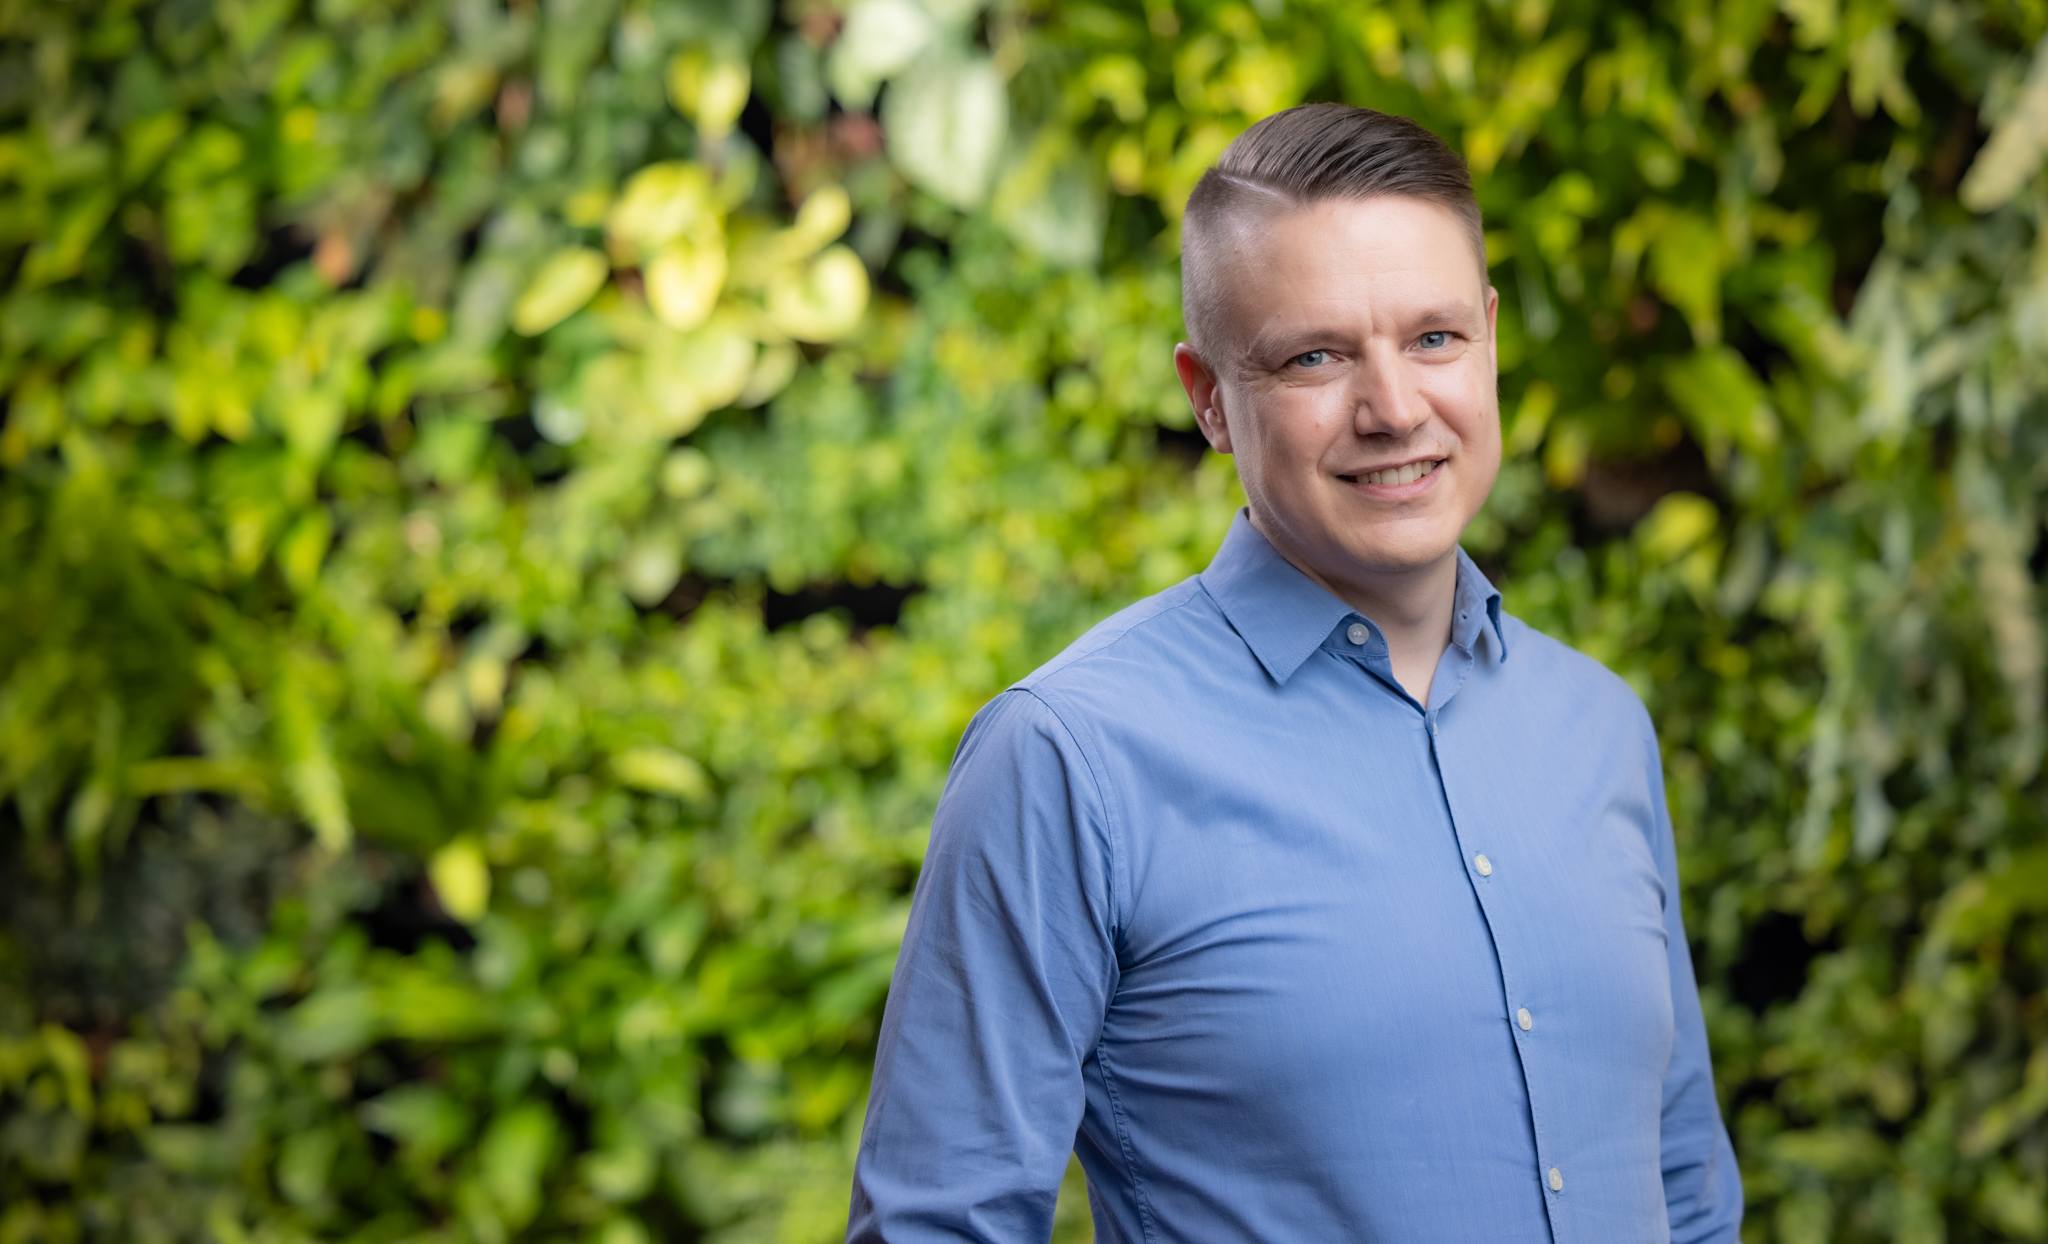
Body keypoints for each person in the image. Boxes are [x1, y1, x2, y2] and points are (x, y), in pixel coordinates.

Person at [846, 101, 1744, 1242]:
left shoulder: (1599, 725)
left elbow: (1686, 1192)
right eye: (1314, 356)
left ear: (1490, 339)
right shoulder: (1069, 760)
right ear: (1207, 397)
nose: (1394, 409)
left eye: (1434, 338)